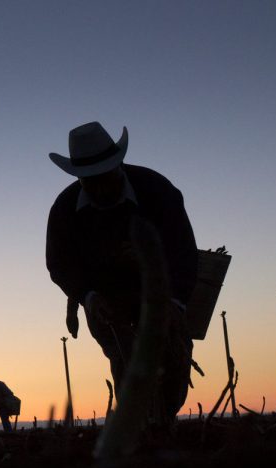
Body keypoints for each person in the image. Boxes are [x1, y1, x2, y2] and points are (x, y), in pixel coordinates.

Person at [46, 122, 198, 424]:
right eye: (91, 182)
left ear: (119, 165)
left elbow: (183, 251)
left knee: (173, 360)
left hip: (160, 288)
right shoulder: (64, 209)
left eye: (106, 178)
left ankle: (161, 420)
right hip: (105, 298)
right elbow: (59, 263)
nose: (101, 188)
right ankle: (138, 428)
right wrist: (87, 296)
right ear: (78, 177)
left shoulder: (159, 191)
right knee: (125, 360)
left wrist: (175, 303)